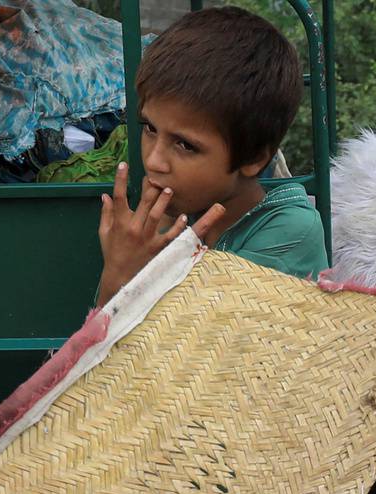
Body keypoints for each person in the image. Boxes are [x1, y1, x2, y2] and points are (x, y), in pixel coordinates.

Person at [93, 6, 327, 305]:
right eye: (150, 128)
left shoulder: (289, 232)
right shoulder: (183, 212)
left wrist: (123, 275)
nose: (153, 161)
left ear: (253, 158)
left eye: (185, 146)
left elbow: (193, 341)